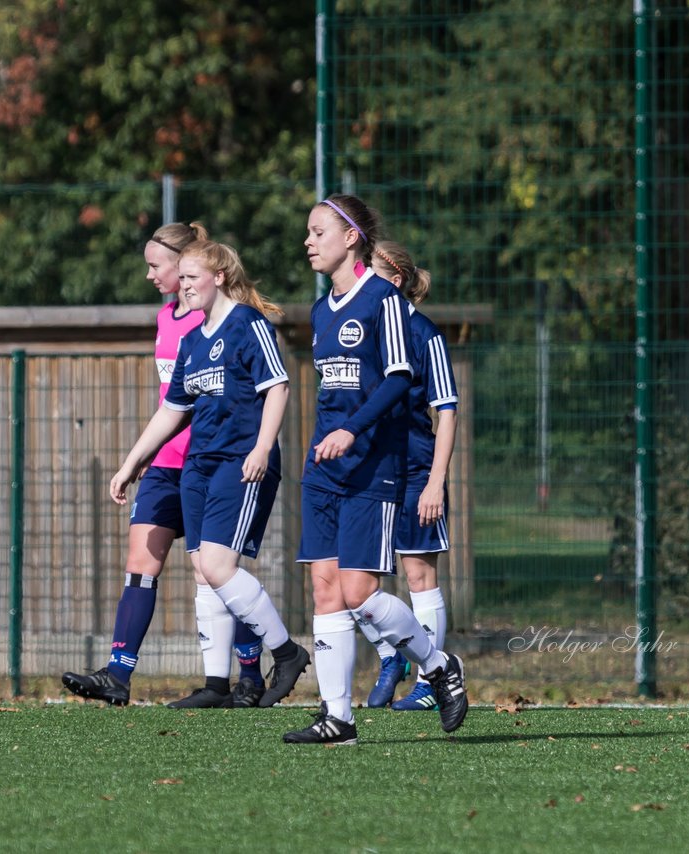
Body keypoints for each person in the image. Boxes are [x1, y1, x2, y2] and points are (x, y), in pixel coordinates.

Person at [285, 194, 468, 745]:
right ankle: (337, 718)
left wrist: (352, 430)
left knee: (360, 592)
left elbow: (395, 378)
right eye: (308, 233)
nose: (308, 242)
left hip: (373, 468)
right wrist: (327, 438)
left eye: (318, 232)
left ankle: (437, 666)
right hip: (323, 468)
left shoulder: (384, 300)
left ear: (350, 238)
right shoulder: (320, 311)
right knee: (324, 590)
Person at [61, 222, 265, 707]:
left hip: (210, 462)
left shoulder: (220, 317)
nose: (151, 274)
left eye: (157, 265)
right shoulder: (165, 318)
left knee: (211, 572)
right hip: (166, 463)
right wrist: (136, 460)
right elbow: (170, 403)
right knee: (139, 563)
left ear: (185, 265)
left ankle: (252, 674)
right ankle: (118, 675)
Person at [108, 238, 311, 709]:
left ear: (219, 277)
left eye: (192, 278)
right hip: (198, 466)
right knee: (204, 570)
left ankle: (286, 652)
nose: (183, 287)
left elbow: (277, 387)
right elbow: (171, 410)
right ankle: (217, 685)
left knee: (220, 566)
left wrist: (262, 447)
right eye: (181, 280)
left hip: (239, 462)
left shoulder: (247, 323)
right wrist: (131, 462)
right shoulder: (194, 340)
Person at [361, 240, 458, 711]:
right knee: (348, 574)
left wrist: (436, 480)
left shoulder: (424, 334)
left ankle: (429, 679)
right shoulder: (361, 330)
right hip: (367, 468)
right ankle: (390, 655)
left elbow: (447, 411)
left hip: (416, 467)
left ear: (394, 280)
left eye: (370, 272)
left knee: (418, 574)